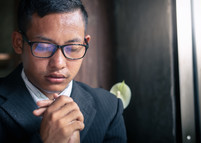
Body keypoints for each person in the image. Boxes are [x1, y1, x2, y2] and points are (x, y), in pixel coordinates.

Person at [0, 0, 127, 142]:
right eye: (43, 47)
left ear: (85, 44)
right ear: (18, 43)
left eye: (72, 47)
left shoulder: (109, 108)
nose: (59, 64)